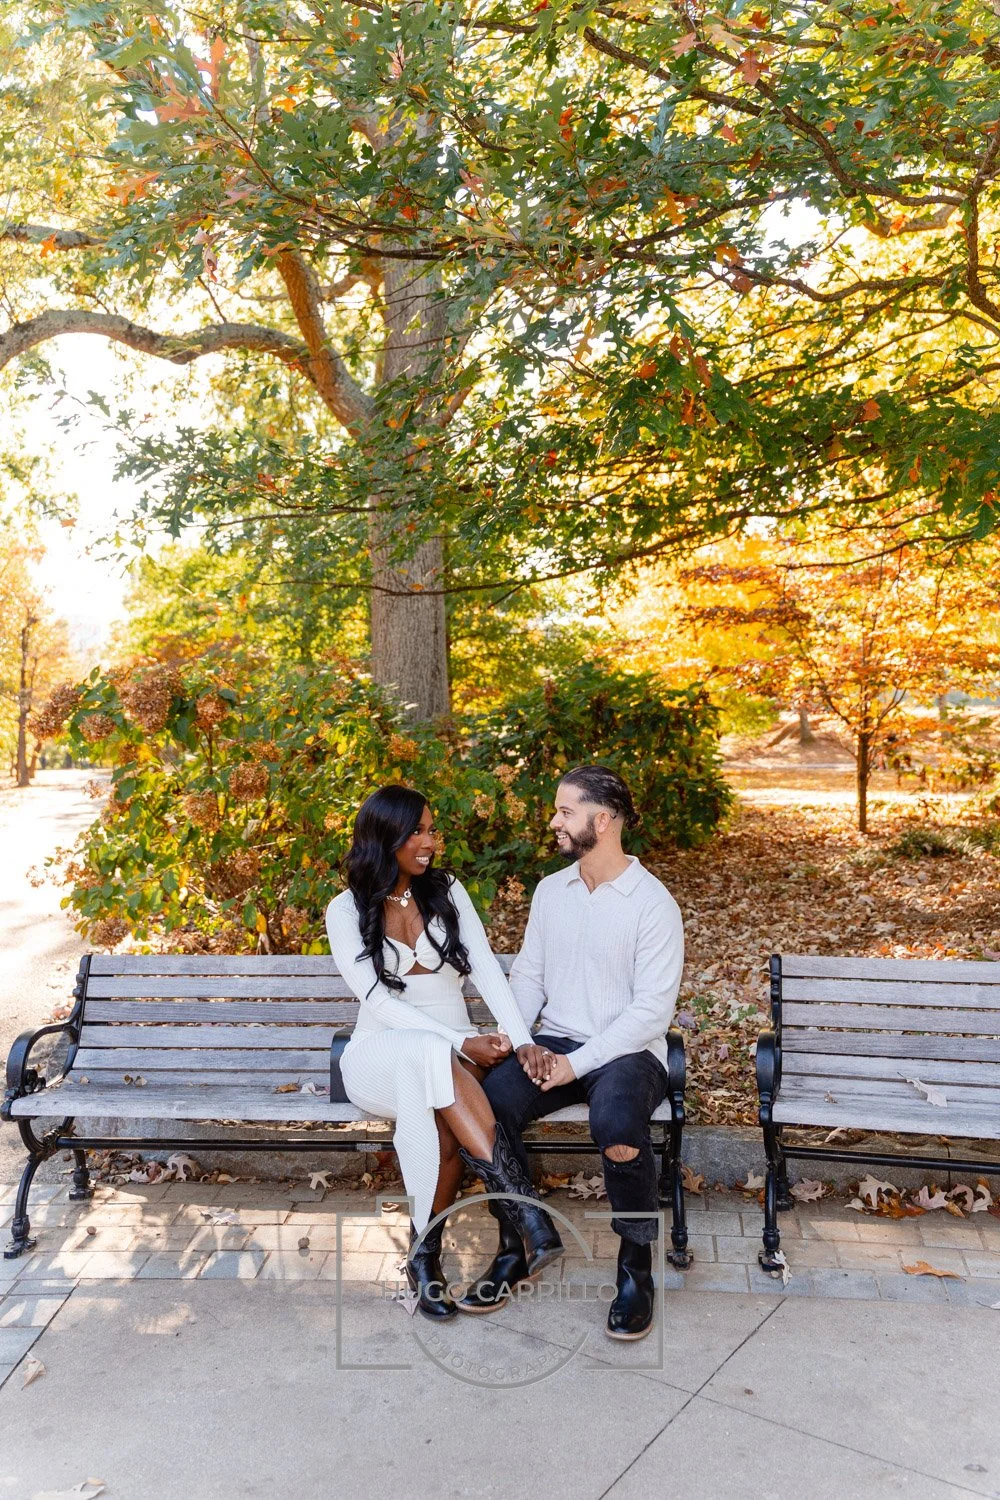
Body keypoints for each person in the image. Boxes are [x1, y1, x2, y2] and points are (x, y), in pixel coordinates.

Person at [457, 765, 684, 1340]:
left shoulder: (652, 904)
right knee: (486, 1106)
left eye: (565, 811)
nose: (554, 821)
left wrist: (574, 1066)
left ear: (602, 821)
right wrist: (523, 1039)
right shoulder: (550, 891)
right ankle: (518, 1244)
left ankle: (635, 1270)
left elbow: (650, 1012)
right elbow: (529, 977)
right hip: (553, 1043)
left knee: (618, 1124)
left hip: (629, 1051)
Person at [325, 785, 563, 1321]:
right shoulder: (345, 910)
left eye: (433, 829)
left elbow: (485, 969)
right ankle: (525, 1213)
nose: (432, 841)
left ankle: (423, 1260)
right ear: (385, 837)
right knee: (432, 1058)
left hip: (451, 1060)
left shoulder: (448, 890)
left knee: (442, 1122)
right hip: (378, 1057)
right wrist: (459, 1041)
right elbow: (377, 1003)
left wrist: (520, 1038)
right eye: (419, 831)